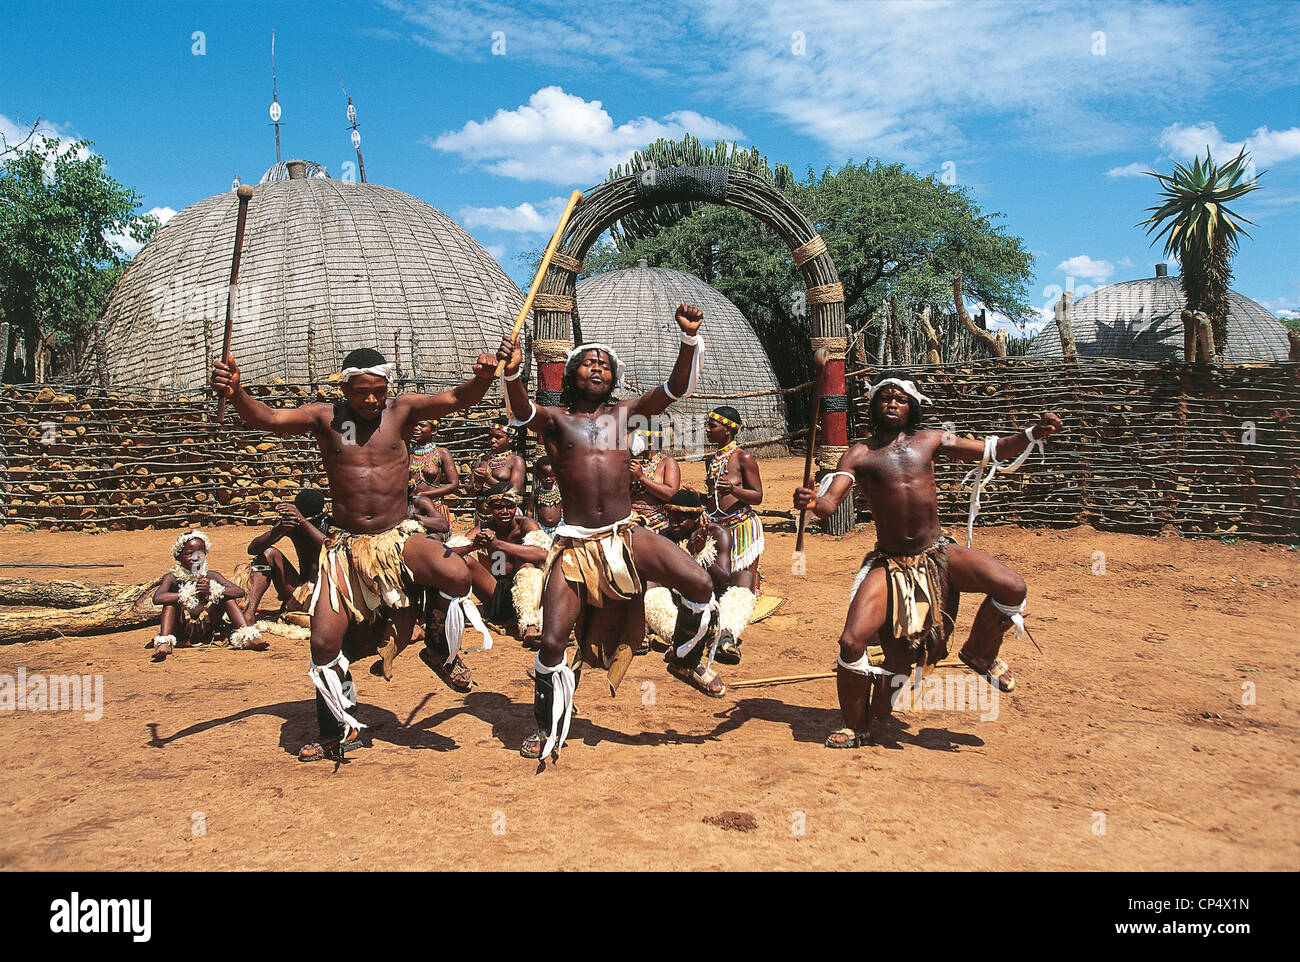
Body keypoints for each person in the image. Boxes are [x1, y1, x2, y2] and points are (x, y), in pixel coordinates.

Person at [211, 344, 510, 762]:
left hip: (396, 538)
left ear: (388, 387)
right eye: (361, 392)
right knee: (323, 642)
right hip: (346, 548)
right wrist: (237, 392)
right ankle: (338, 728)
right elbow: (270, 419)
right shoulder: (324, 418)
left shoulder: (401, 413)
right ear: (345, 387)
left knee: (457, 575)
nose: (371, 400)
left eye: (378, 390)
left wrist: (483, 377)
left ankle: (439, 649)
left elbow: (457, 399)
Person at [792, 373, 1063, 748]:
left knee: (1012, 586)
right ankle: (857, 726)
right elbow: (829, 504)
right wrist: (811, 502)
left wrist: (1032, 433)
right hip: (890, 564)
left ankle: (980, 654)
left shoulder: (931, 439)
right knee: (854, 642)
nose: (891, 404)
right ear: (874, 406)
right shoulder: (859, 453)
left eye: (900, 399)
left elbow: (993, 450)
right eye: (885, 398)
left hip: (937, 554)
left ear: (912, 407)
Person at [501, 304, 722, 763]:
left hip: (625, 534)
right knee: (552, 640)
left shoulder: (627, 415)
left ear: (613, 376)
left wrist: (688, 340)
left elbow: (675, 389)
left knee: (700, 584)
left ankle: (684, 658)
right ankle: (548, 729)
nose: (597, 367)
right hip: (576, 542)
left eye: (604, 363)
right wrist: (513, 372)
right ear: (571, 373)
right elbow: (521, 412)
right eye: (588, 361)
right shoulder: (556, 421)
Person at [643, 489, 758, 664]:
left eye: (680, 521)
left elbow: (724, 579)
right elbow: (664, 577)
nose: (673, 525)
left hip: (714, 601)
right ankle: (677, 638)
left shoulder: (719, 534)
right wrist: (686, 553)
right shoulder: (665, 537)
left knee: (746, 577)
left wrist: (701, 553)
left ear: (696, 519)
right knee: (650, 583)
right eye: (671, 520)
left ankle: (724, 636)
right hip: (679, 604)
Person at [447, 481, 550, 647]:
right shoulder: (483, 529)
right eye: (498, 507)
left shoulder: (525, 524)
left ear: (516, 506)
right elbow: (448, 554)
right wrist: (474, 546)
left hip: (527, 592)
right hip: (495, 593)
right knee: (464, 559)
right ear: (490, 508)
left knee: (527, 566)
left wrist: (498, 545)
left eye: (509, 506)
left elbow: (543, 554)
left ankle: (530, 628)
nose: (504, 512)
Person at [703, 405, 764, 663]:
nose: (706, 429)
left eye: (712, 426)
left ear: (727, 430)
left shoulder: (743, 459)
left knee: (745, 581)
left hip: (741, 528)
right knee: (716, 586)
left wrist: (735, 490)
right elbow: (712, 499)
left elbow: (758, 496)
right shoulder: (711, 460)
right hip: (718, 530)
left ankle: (729, 628)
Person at [151, 530, 265, 661]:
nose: (195, 558)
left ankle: (247, 636)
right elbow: (157, 598)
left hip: (208, 626)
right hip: (182, 628)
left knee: (227, 597)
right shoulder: (172, 578)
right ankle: (164, 643)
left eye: (200, 554)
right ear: (178, 556)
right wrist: (185, 594)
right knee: (169, 603)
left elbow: (239, 591)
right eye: (189, 554)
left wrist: (212, 589)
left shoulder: (211, 576)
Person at [235, 488, 331, 621]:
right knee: (269, 553)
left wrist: (303, 522)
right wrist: (279, 529)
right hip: (298, 591)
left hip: (326, 594)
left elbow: (330, 547)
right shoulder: (292, 524)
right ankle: (249, 613)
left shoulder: (329, 525)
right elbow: (252, 549)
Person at [408, 418, 458, 536]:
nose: (416, 428)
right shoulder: (408, 453)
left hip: (435, 509)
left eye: (421, 425)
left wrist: (424, 495)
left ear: (434, 430)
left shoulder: (442, 453)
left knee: (434, 544)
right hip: (411, 508)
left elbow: (454, 484)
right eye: (414, 425)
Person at [469, 417, 525, 518]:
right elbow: (470, 492)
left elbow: (514, 491)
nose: (492, 441)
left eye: (498, 437)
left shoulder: (515, 460)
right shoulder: (482, 459)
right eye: (490, 437)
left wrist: (488, 479)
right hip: (481, 515)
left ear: (510, 439)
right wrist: (478, 484)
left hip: (505, 517)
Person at [629, 427, 680, 532]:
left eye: (638, 437)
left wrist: (641, 477)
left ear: (651, 441)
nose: (634, 441)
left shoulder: (667, 462)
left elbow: (672, 495)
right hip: (632, 520)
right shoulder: (635, 465)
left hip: (657, 524)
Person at [527, 456, 563, 538]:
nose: (548, 479)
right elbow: (530, 511)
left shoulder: (560, 492)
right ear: (537, 475)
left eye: (551, 475)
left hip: (559, 528)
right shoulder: (536, 493)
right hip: (541, 529)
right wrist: (529, 525)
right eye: (544, 476)